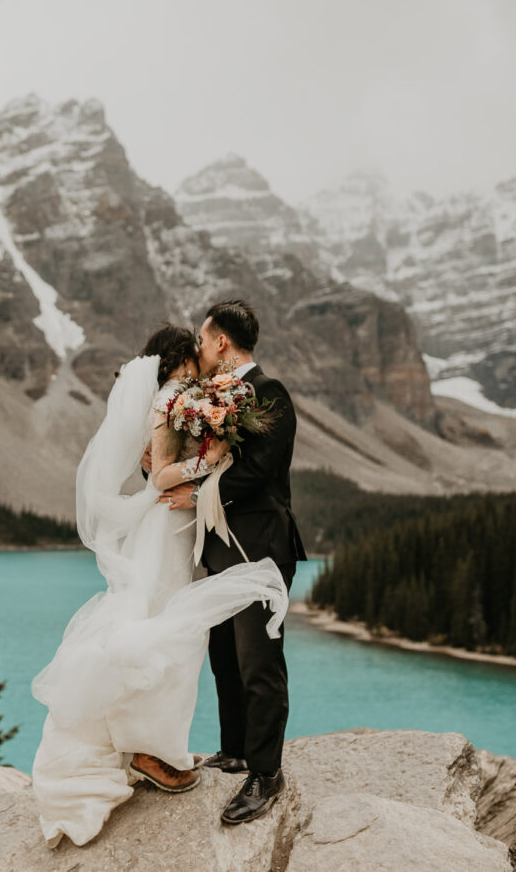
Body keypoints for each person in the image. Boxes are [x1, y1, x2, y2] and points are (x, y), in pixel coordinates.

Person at [31, 324, 289, 847]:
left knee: (176, 636)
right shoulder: (176, 399)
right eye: (193, 347)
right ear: (182, 359)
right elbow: (162, 476)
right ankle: (150, 749)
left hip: (186, 530)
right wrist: (208, 462)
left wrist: (197, 468)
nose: (200, 351)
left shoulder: (202, 396)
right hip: (171, 525)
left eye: (204, 339)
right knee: (168, 637)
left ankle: (175, 749)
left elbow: (197, 467)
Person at [160, 299, 307, 825]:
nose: (199, 350)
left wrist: (195, 493)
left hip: (262, 549)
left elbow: (260, 473)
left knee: (259, 664)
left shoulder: (270, 394)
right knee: (224, 654)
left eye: (202, 340)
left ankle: (266, 773)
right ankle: (237, 748)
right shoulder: (211, 398)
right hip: (222, 550)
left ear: (221, 341)